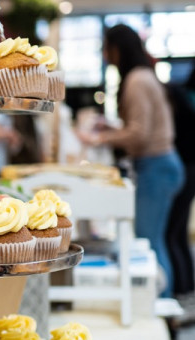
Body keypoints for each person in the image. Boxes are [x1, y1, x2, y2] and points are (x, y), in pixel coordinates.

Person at [79, 24, 184, 298]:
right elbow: (140, 129)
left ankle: (161, 305)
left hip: (156, 166)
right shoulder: (142, 76)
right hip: (159, 165)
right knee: (156, 239)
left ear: (117, 49)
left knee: (150, 241)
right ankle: (164, 304)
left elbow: (139, 134)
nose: (104, 55)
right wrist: (110, 129)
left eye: (106, 47)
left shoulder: (137, 80)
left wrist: (100, 139)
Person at [166, 63, 195, 298]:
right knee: (179, 233)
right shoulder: (187, 102)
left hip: (186, 170)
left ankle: (181, 292)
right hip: (188, 170)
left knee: (173, 234)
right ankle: (187, 290)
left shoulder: (182, 104)